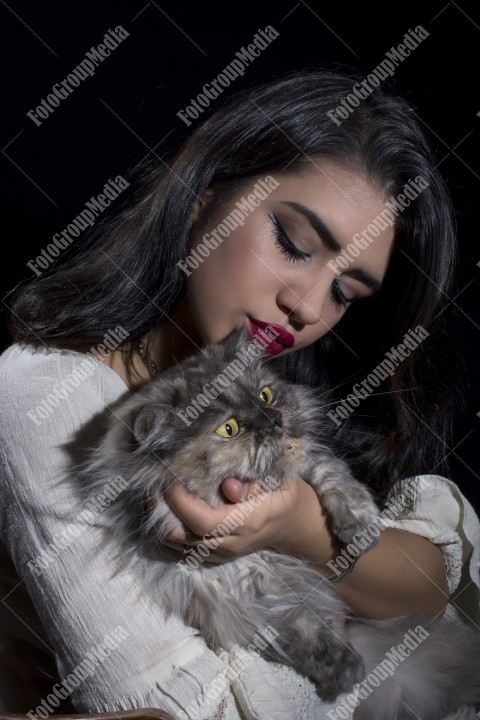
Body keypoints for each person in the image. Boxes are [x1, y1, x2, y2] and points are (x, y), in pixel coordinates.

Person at [0, 69, 479, 720]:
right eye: (294, 243)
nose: (307, 307)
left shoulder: (276, 401)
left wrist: (302, 525)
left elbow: (434, 583)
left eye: (346, 294)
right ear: (205, 194)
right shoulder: (50, 392)